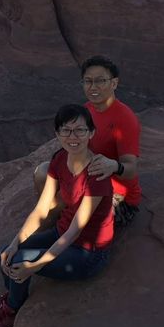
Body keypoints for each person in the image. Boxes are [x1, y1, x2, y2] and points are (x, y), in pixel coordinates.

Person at [0, 104, 113, 327]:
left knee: (22, 261)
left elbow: (74, 231)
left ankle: (13, 309)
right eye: (66, 131)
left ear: (91, 133)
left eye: (80, 131)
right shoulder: (60, 160)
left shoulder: (97, 175)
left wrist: (37, 265)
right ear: (57, 134)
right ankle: (15, 293)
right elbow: (42, 210)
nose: (72, 137)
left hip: (88, 253)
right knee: (8, 252)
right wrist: (15, 242)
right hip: (61, 233)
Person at [34, 55, 141, 227]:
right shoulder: (86, 110)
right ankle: (56, 223)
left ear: (114, 83)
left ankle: (51, 229)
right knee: (42, 173)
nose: (93, 87)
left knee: (75, 205)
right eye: (88, 81)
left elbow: (131, 170)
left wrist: (114, 166)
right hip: (87, 178)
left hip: (118, 197)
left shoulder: (125, 120)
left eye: (100, 81)